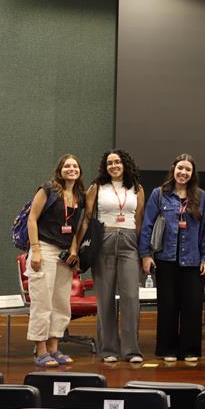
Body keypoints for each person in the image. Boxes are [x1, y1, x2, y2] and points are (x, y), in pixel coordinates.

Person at [139, 153, 205, 362]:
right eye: (180, 168)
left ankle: (190, 350)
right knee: (167, 305)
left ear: (192, 173)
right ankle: (167, 349)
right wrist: (145, 255)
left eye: (188, 169)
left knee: (192, 306)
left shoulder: (201, 196)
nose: (183, 172)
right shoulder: (159, 194)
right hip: (165, 258)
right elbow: (147, 225)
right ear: (174, 169)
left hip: (193, 260)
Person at [82, 149, 145, 363]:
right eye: (109, 163)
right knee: (105, 297)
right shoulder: (97, 187)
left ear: (125, 164)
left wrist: (141, 250)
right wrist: (77, 247)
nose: (114, 166)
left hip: (129, 242)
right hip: (104, 240)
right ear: (105, 167)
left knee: (131, 298)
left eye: (117, 162)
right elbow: (87, 219)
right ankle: (108, 349)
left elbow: (139, 220)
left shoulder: (137, 188)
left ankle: (131, 350)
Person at [26, 154, 86, 367]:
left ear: (79, 171)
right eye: (67, 166)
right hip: (44, 249)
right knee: (42, 303)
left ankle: (54, 348)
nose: (71, 169)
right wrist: (35, 250)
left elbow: (75, 228)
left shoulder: (79, 196)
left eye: (75, 166)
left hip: (64, 255)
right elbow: (32, 219)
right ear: (60, 170)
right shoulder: (48, 190)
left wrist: (73, 251)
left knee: (61, 303)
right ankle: (40, 350)